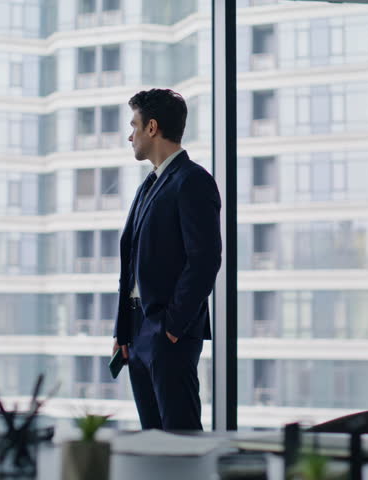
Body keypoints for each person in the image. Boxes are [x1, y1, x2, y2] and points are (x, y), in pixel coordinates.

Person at [111, 89, 222, 431]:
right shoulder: (149, 185)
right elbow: (131, 264)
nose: (130, 135)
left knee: (181, 439)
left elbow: (204, 260)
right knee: (153, 439)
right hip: (138, 332)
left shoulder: (193, 181)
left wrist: (172, 327)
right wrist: (122, 331)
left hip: (167, 333)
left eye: (134, 125)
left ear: (152, 128)